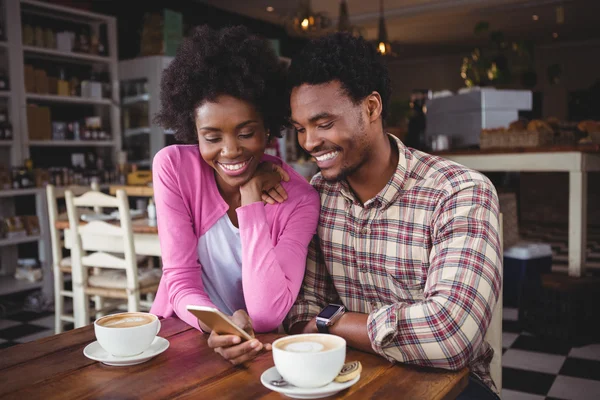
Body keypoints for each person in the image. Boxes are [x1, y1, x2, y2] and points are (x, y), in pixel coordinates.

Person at [284, 33, 502, 400]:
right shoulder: (318, 193)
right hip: (349, 376)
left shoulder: (459, 192)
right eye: (300, 128)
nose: (308, 143)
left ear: (371, 108)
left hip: (453, 386)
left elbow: (450, 336)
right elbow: (299, 310)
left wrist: (332, 323)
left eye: (323, 124)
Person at [150, 25, 320, 366]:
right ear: (192, 132)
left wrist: (251, 198)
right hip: (183, 336)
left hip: (260, 350)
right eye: (211, 137)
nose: (230, 151)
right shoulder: (173, 167)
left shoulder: (301, 199)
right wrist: (220, 325)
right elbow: (179, 278)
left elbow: (267, 313)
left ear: (268, 129)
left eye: (246, 133)